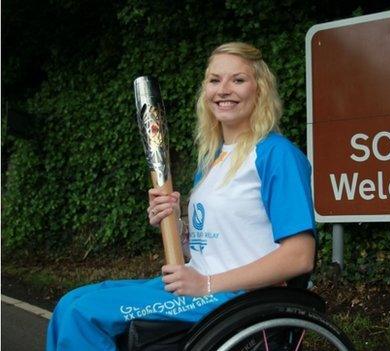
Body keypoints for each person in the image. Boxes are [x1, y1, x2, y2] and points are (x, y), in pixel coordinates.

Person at [46, 42, 316, 350]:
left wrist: (207, 284)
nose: (223, 89)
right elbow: (208, 243)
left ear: (260, 89)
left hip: (234, 297)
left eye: (237, 80)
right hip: (197, 285)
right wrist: (174, 223)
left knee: (83, 315)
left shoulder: (276, 154)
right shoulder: (212, 160)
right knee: (71, 303)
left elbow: (300, 256)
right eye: (215, 80)